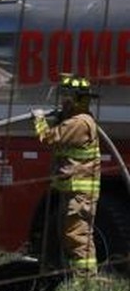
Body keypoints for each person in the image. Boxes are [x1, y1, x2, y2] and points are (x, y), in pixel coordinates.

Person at [32, 75, 101, 277]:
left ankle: (86, 283)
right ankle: (76, 279)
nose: (63, 102)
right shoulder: (76, 120)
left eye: (67, 97)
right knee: (70, 236)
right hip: (73, 191)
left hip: (79, 194)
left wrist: (39, 119)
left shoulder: (79, 123)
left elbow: (48, 138)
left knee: (78, 236)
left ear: (77, 99)